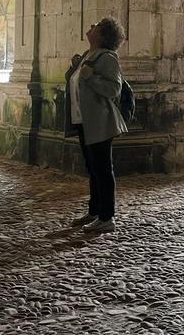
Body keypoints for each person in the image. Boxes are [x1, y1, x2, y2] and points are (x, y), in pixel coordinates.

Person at [64, 17, 128, 233]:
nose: (91, 27)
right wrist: (75, 68)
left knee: (102, 169)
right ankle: (94, 211)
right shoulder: (86, 55)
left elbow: (113, 90)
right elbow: (76, 82)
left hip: (100, 121)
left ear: (103, 35)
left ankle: (107, 217)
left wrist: (90, 77)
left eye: (97, 26)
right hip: (84, 120)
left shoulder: (108, 57)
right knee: (92, 168)